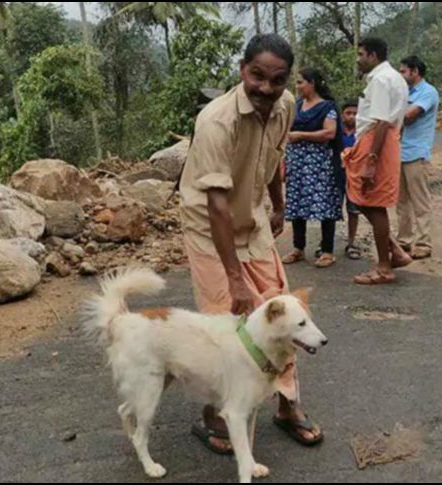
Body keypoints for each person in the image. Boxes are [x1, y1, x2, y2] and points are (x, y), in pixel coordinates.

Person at [179, 33, 323, 455]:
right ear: (243, 70)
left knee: (282, 310)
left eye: (276, 80)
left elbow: (273, 159)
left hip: (253, 220)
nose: (265, 88)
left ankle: (287, 405)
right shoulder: (215, 121)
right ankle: (214, 414)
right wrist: (234, 278)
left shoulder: (286, 107)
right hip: (210, 227)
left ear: (287, 81)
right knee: (225, 322)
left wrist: (277, 205)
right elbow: (217, 206)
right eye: (257, 76)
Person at [343, 37, 412, 285]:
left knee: (373, 201)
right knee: (360, 197)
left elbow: (382, 121)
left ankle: (384, 267)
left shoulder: (382, 80)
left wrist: (371, 160)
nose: (358, 59)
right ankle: (394, 249)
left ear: (373, 56)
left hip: (377, 140)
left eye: (361, 54)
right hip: (379, 139)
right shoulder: (393, 78)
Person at [282, 68, 343, 269]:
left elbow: (329, 133)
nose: (297, 87)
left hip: (318, 163)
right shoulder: (298, 105)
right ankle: (298, 248)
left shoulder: (328, 107)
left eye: (300, 82)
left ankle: (327, 251)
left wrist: (301, 135)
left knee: (323, 203)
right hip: (297, 162)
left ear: (312, 83)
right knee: (297, 202)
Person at [398, 56, 439, 260]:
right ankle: (403, 241)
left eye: (403, 71)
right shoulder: (405, 92)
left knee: (420, 200)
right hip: (399, 152)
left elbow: (409, 115)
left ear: (414, 72)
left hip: (416, 152)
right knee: (401, 201)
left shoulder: (427, 92)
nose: (401, 75)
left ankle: (423, 242)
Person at [340, 100, 363, 260]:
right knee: (331, 209)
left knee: (353, 210)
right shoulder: (335, 132)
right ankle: (325, 243)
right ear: (342, 115)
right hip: (337, 174)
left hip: (355, 176)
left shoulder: (362, 134)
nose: (352, 117)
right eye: (348, 113)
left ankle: (351, 242)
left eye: (355, 113)